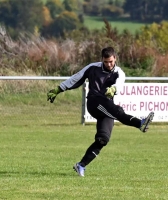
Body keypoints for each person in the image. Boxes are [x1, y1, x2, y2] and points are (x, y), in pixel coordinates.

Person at [47, 47, 154, 177]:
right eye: (106, 62)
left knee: (103, 139)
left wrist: (113, 89)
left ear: (115, 58)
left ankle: (81, 165)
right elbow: (76, 78)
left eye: (111, 61)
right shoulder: (93, 68)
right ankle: (140, 123)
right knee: (118, 111)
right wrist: (58, 89)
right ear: (102, 59)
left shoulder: (119, 72)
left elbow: (119, 84)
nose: (109, 64)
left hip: (107, 108)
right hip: (94, 102)